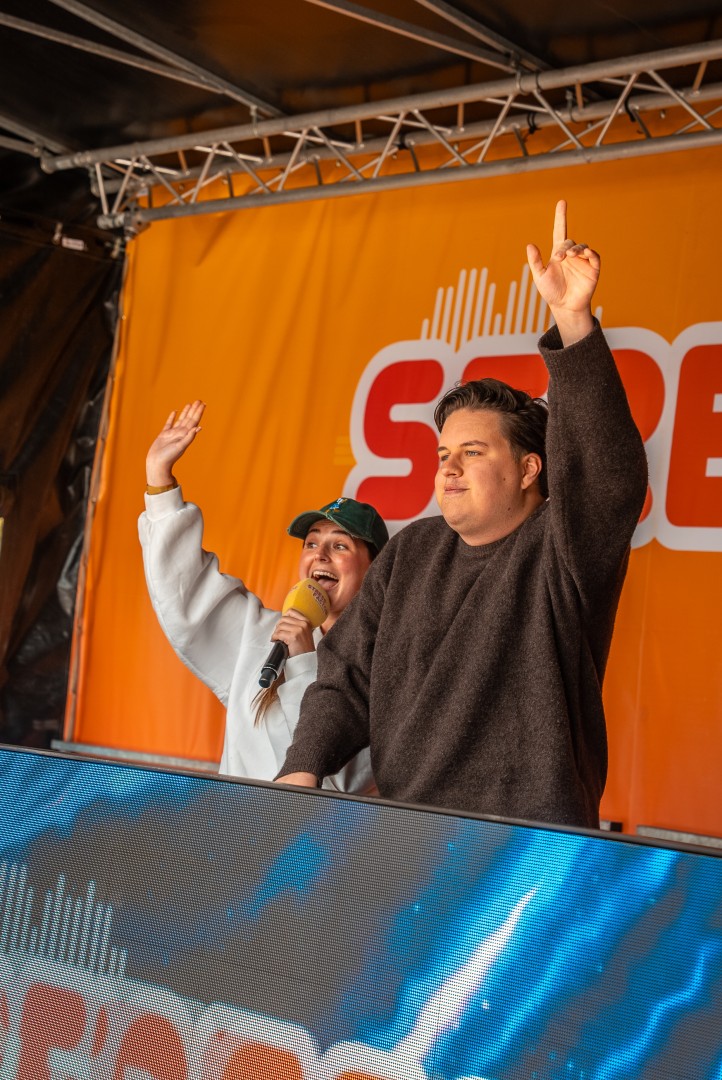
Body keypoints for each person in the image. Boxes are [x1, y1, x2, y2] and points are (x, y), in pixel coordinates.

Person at [277, 200, 648, 829]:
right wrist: (303, 765)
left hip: (529, 845)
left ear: (529, 470)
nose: (448, 468)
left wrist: (573, 322)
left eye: (472, 453)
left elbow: (608, 477)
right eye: (442, 454)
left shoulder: (562, 546)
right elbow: (346, 677)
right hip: (405, 833)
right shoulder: (411, 551)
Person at [138, 399, 388, 791]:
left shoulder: (384, 665)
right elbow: (187, 595)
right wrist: (159, 480)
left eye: (340, 546)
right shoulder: (261, 633)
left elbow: (346, 781)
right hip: (235, 824)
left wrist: (303, 662)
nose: (319, 555)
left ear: (375, 571)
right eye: (311, 543)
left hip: (315, 832)